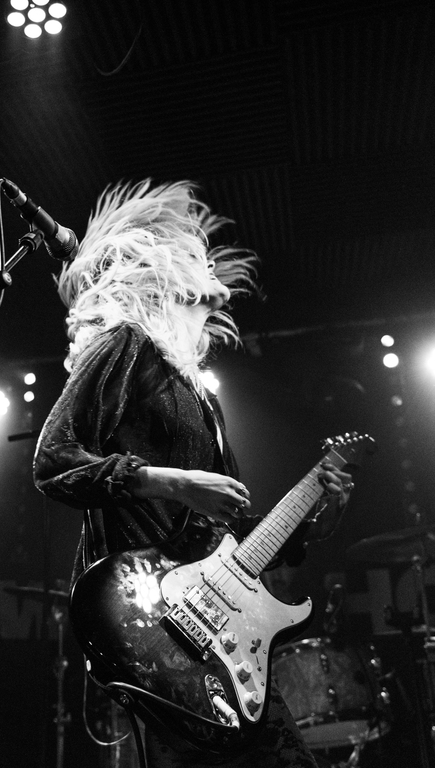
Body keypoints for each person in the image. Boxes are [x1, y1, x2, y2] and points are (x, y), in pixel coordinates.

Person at [33, 179, 354, 768]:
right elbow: (53, 459)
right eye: (194, 252)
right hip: (148, 617)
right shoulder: (125, 345)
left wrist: (315, 517)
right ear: (163, 270)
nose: (210, 261)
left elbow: (234, 535)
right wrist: (169, 481)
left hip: (215, 634)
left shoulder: (202, 398)